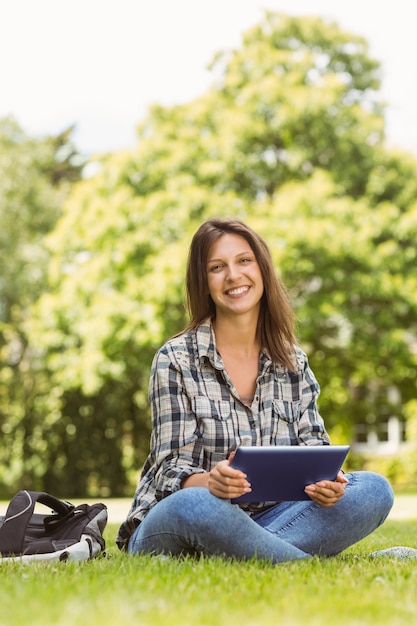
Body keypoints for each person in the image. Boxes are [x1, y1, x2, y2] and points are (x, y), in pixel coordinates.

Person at [117, 217, 410, 563]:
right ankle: (306, 564)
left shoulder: (292, 361)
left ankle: (245, 555)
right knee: (195, 505)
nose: (233, 275)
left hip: (270, 519)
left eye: (244, 261)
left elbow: (315, 448)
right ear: (203, 281)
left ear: (262, 270)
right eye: (217, 267)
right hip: (181, 521)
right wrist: (211, 483)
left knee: (373, 490)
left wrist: (330, 484)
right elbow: (169, 471)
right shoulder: (177, 359)